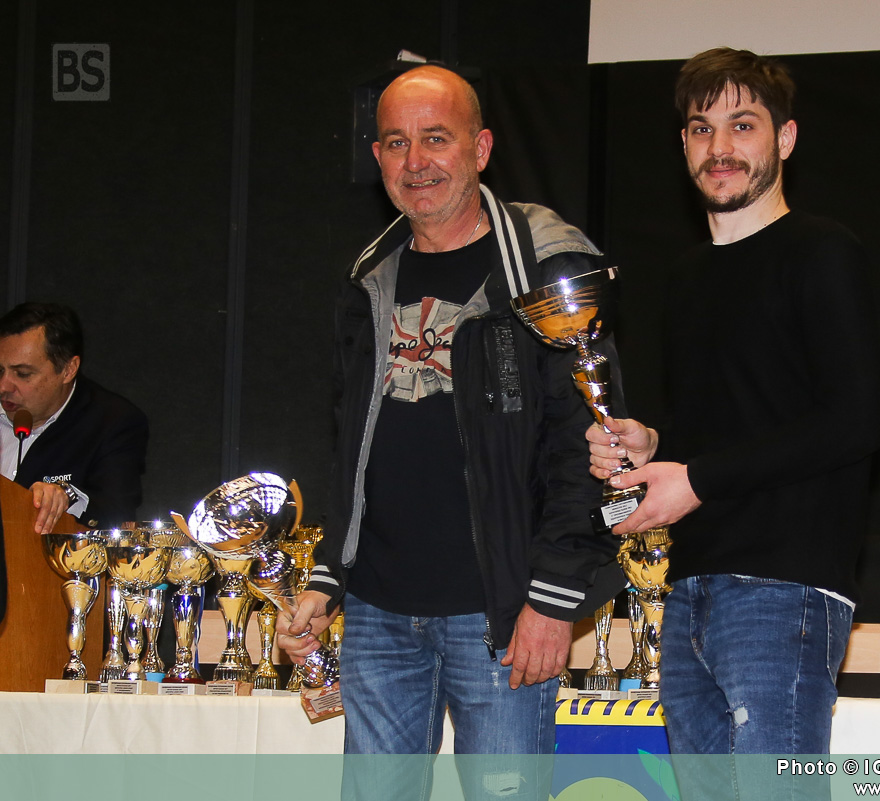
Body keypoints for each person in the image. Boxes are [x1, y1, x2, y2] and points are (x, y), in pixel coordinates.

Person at [277, 65, 623, 798]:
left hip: (503, 614)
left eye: (436, 138)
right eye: (396, 142)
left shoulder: (545, 265)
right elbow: (351, 445)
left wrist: (553, 598)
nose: (416, 162)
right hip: (377, 612)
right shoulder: (367, 278)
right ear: (377, 156)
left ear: (481, 147)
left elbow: (588, 448)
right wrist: (331, 574)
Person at [586, 47, 880, 787]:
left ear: (785, 137)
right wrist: (652, 444)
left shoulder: (822, 251)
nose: (719, 147)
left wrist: (696, 479)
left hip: (784, 589)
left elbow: (855, 421)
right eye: (701, 128)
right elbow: (722, 427)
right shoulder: (686, 277)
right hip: (690, 588)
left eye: (742, 125)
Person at [0, 302, 149, 532]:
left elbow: (116, 518)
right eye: (0, 370)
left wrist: (67, 496)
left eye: (23, 374)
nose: (4, 386)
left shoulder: (112, 422)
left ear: (68, 370)